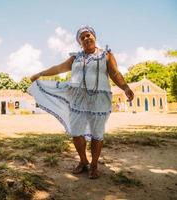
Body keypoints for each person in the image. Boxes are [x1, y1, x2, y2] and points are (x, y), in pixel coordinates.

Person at [27, 25, 134, 179]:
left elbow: (115, 73)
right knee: (76, 132)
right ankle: (83, 161)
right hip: (78, 99)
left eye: (88, 35)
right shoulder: (75, 57)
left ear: (94, 37)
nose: (86, 39)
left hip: (99, 100)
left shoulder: (106, 55)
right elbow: (58, 68)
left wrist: (125, 87)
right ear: (79, 42)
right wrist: (40, 73)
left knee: (97, 133)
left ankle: (94, 164)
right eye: (82, 38)